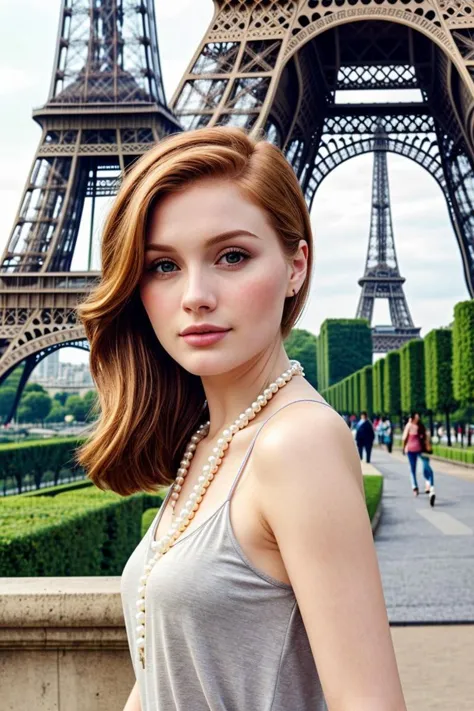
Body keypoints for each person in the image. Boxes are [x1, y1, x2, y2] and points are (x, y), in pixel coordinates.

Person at [77, 126, 406, 711]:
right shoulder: (206, 443)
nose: (195, 295)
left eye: (232, 256)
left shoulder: (297, 444)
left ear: (296, 265)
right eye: (162, 266)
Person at [402, 412, 435, 505]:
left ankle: (415, 487)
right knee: (426, 469)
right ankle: (429, 486)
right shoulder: (421, 427)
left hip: (411, 450)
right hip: (420, 450)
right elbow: (426, 437)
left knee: (413, 469)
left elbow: (404, 438)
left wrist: (403, 448)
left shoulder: (409, 426)